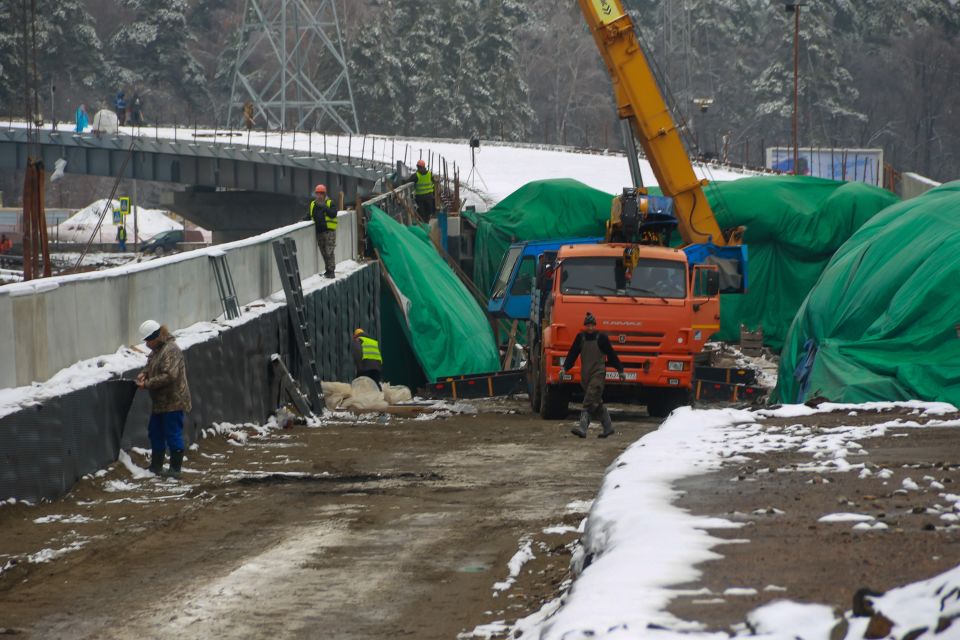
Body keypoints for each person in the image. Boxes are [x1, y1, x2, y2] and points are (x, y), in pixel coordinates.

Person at [135, 320, 192, 478]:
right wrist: (144, 373)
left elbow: (169, 375)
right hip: (160, 402)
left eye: (148, 340)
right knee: (155, 432)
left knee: (172, 433)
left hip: (173, 400)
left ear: (156, 337)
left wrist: (147, 384)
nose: (146, 344)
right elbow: (151, 364)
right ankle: (156, 466)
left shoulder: (171, 350)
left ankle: (175, 469)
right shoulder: (157, 350)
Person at [562, 312, 625, 439]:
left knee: (589, 400)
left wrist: (620, 370)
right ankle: (608, 427)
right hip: (586, 375)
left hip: (598, 373)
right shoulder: (581, 338)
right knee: (595, 402)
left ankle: (582, 428)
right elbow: (573, 354)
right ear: (585, 326)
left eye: (592, 325)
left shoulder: (601, 338)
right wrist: (564, 368)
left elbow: (611, 355)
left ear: (595, 325)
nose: (590, 328)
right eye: (588, 325)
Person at [306, 184, 338, 278]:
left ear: (324, 194)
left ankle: (331, 271)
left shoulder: (329, 203)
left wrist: (325, 207)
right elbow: (310, 215)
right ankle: (327, 270)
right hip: (319, 232)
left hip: (329, 232)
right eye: (318, 194)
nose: (319, 196)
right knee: (323, 252)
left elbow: (333, 214)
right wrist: (303, 219)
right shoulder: (313, 204)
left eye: (321, 194)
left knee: (329, 252)